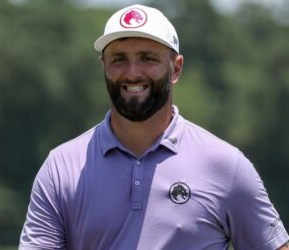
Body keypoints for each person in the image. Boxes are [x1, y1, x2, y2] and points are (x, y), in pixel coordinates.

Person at [19, 4, 289, 250]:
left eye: (148, 58)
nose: (133, 73)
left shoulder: (225, 165)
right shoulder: (61, 167)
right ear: (104, 65)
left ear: (176, 69)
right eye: (119, 59)